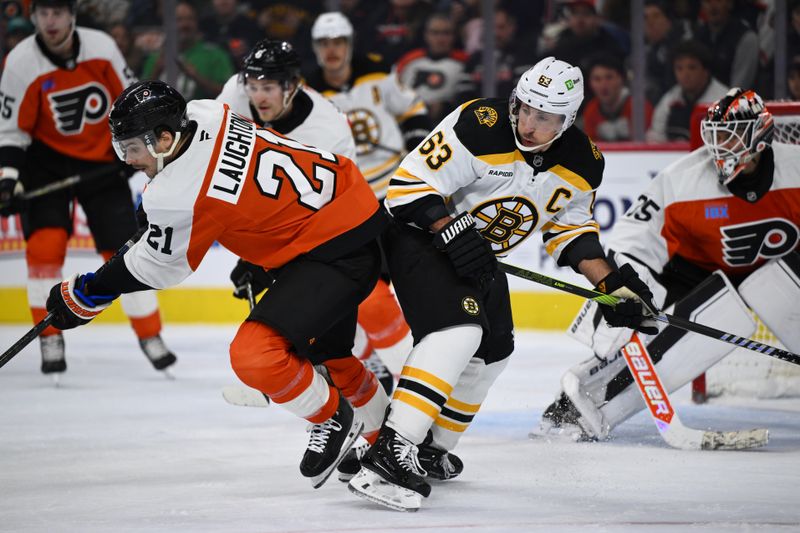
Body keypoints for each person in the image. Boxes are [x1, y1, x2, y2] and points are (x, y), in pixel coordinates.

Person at [44, 79, 392, 489]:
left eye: (133, 148)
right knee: (331, 354)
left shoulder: (178, 194)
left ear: (166, 138)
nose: (127, 160)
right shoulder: (207, 112)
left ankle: (332, 417)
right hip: (351, 210)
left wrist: (88, 292)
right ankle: (385, 443)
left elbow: (159, 265)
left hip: (330, 249)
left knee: (255, 356)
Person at [347, 57, 658, 512]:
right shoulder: (480, 124)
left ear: (568, 120)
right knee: (458, 331)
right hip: (418, 239)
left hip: (478, 257)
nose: (529, 124)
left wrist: (612, 286)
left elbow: (569, 230)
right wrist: (450, 228)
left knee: (494, 350)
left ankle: (431, 448)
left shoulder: (584, 162)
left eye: (545, 117)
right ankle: (389, 453)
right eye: (525, 108)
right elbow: (408, 186)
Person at [538, 88, 800, 442]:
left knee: (774, 286)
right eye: (715, 135)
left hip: (780, 274)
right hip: (696, 276)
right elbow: (634, 239)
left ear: (758, 137)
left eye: (729, 135)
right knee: (696, 321)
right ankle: (584, 407)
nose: (719, 146)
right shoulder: (682, 180)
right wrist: (623, 290)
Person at [0, 0, 176, 378]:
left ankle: (150, 334)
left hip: (101, 159)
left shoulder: (100, 47)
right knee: (44, 247)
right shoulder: (20, 61)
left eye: (58, 13)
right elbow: (12, 129)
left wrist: (129, 152)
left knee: (125, 252)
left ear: (72, 16)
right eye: (44, 14)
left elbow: (132, 99)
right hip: (45, 165)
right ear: (34, 18)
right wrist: (8, 180)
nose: (51, 21)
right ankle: (49, 336)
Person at [215, 38, 395, 396]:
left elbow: (330, 216)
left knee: (339, 301)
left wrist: (265, 258)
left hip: (331, 226)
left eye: (267, 88)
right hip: (271, 214)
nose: (258, 97)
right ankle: (351, 360)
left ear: (293, 85)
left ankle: (370, 361)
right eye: (252, 86)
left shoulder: (327, 131)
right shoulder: (234, 97)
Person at [305, 12, 431, 377]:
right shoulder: (308, 92)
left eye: (338, 42)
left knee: (405, 277)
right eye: (325, 44)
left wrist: (413, 143)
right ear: (316, 48)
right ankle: (369, 355)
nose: (332, 51)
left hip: (395, 192)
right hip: (351, 201)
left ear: (349, 45)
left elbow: (412, 108)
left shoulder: (377, 73)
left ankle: (416, 353)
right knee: (360, 285)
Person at [140, 1, 235, 101]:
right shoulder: (155, 57)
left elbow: (228, 94)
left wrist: (196, 76)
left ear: (197, 22)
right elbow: (140, 96)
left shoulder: (215, 55)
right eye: (179, 19)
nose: (185, 24)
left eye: (190, 19)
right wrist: (156, 71)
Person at [646, 40, 728, 142]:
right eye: (679, 68)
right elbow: (655, 137)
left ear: (705, 71)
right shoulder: (669, 100)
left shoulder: (724, 100)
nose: (685, 74)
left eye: (692, 68)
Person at [581, 54, 653, 142]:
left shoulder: (639, 107)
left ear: (621, 79)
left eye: (609, 77)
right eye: (597, 79)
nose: (603, 85)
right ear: (590, 83)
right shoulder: (590, 110)